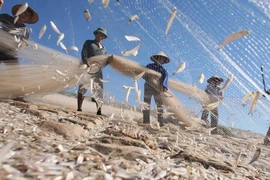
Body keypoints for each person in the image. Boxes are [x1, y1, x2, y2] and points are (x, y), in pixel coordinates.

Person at [77, 27, 107, 115]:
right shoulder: (89, 42)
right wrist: (86, 62)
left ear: (104, 37)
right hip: (87, 68)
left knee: (99, 90)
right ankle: (79, 108)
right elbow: (83, 53)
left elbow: (103, 61)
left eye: (102, 35)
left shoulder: (104, 49)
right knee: (83, 87)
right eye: (99, 34)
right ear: (96, 34)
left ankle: (99, 111)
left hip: (98, 71)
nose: (100, 36)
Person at [143, 51, 170, 127]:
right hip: (148, 87)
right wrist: (147, 77)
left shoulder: (164, 71)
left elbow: (165, 80)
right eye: (159, 58)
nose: (160, 60)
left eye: (162, 59)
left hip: (157, 89)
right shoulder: (149, 66)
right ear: (156, 58)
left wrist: (164, 87)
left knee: (160, 106)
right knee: (146, 105)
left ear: (164, 61)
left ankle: (160, 122)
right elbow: (143, 74)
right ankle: (146, 121)